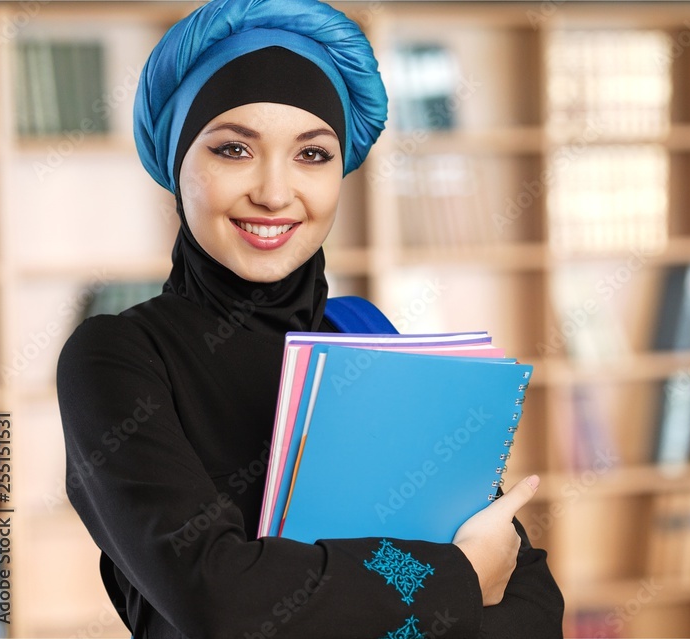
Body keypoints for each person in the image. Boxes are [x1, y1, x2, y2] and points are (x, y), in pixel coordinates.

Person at [56, 0, 565, 637]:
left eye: (313, 155)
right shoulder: (117, 358)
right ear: (176, 163)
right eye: (234, 149)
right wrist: (458, 578)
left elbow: (535, 606)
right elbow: (217, 598)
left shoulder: (369, 339)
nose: (274, 192)